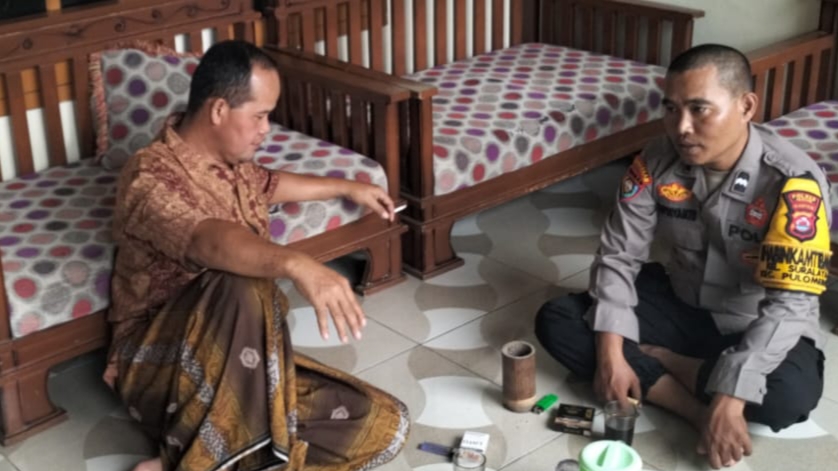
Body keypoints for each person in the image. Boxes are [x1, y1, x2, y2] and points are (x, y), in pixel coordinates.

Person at [104, 40, 409, 471]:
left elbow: (271, 184)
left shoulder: (233, 162)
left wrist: (348, 186)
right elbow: (207, 240)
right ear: (218, 110)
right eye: (260, 115)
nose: (267, 129)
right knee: (238, 281)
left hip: (239, 364)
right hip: (158, 364)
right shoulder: (149, 176)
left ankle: (188, 459)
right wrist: (296, 263)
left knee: (379, 420)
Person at [535, 44, 830, 470]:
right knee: (559, 319)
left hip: (753, 321)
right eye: (671, 109)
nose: (682, 127)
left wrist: (732, 394)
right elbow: (619, 255)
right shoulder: (656, 160)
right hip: (681, 300)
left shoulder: (792, 181)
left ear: (746, 106)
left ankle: (662, 360)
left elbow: (790, 304)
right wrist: (611, 354)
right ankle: (692, 409)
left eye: (699, 109)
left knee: (788, 397)